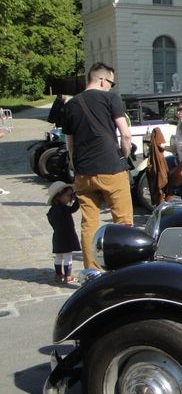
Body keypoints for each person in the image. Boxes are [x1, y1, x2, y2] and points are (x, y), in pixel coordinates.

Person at [62, 62, 133, 270]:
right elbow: (126, 134)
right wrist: (125, 154)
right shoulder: (111, 98)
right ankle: (125, 269)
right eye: (111, 82)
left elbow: (70, 145)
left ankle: (92, 271)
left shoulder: (71, 105)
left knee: (89, 224)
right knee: (123, 222)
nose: (111, 86)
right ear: (102, 80)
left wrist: (76, 167)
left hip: (84, 172)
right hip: (111, 167)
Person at [46, 180, 80, 284]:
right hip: (67, 236)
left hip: (57, 236)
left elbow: (51, 221)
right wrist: (77, 199)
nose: (70, 198)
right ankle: (67, 276)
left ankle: (58, 275)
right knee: (67, 256)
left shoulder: (52, 210)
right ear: (58, 197)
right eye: (68, 195)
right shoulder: (64, 209)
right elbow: (74, 208)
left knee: (58, 256)